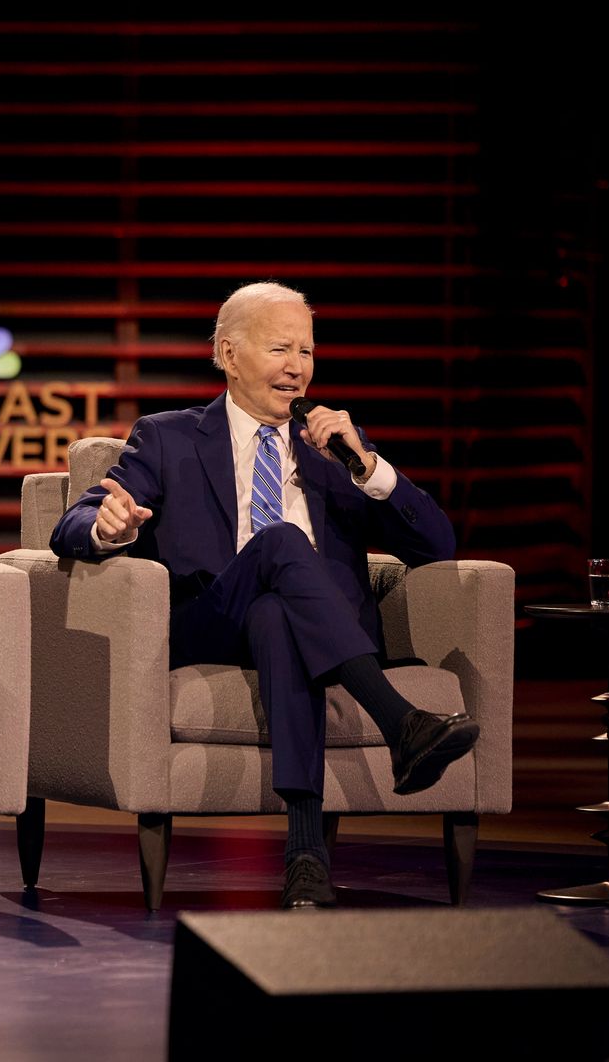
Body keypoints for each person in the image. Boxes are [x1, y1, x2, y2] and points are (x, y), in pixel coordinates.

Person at [51, 281, 480, 909]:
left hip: (308, 631)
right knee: (280, 542)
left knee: (279, 617)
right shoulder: (168, 437)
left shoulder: (336, 446)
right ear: (227, 353)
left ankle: (305, 856)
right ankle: (400, 721)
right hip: (210, 621)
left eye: (307, 351)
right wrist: (103, 526)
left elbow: (437, 545)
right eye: (282, 348)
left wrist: (367, 466)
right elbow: (74, 522)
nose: (298, 368)